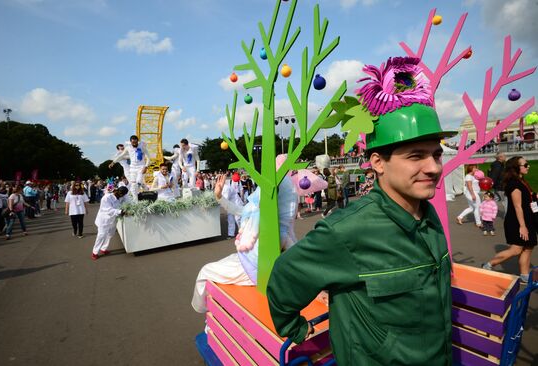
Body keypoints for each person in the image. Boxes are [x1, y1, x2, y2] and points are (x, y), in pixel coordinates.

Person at [267, 56, 454, 365]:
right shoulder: (347, 230)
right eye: (416, 156)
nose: (433, 167)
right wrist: (295, 329)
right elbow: (286, 277)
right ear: (378, 162)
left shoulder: (427, 214)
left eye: (436, 155)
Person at [192, 165, 298, 314]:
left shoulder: (278, 227)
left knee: (205, 272)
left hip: (251, 271)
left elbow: (296, 252)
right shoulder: (255, 210)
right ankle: (210, 316)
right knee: (206, 271)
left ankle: (207, 314)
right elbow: (239, 211)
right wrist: (219, 196)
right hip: (243, 261)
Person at [482, 156, 536, 283]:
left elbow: (527, 197)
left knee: (528, 247)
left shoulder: (522, 181)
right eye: (525, 165)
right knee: (516, 249)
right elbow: (517, 207)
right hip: (518, 221)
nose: (528, 167)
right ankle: (489, 264)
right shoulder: (514, 184)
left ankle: (524, 275)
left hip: (528, 219)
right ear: (516, 168)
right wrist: (523, 226)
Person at [92, 186, 128, 260]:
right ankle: (95, 252)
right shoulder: (106, 198)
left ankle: (103, 249)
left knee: (110, 234)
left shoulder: (121, 197)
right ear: (118, 192)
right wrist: (120, 212)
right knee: (101, 236)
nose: (122, 197)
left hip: (113, 219)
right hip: (104, 220)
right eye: (122, 195)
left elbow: (127, 201)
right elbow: (107, 209)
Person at [110, 135, 150, 201]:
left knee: (138, 182)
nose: (134, 144)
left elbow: (148, 158)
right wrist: (113, 162)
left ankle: (146, 190)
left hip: (141, 167)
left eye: (135, 142)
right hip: (132, 169)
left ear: (138, 141)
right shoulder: (128, 148)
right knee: (133, 186)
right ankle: (136, 202)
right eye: (133, 142)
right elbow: (121, 156)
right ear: (130, 142)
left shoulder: (142, 147)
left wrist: (146, 167)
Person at [222, 172, 243, 239]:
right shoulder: (222, 187)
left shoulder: (226, 188)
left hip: (236, 204)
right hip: (230, 205)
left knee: (238, 219)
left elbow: (225, 198)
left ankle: (242, 233)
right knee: (230, 219)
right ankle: (231, 234)